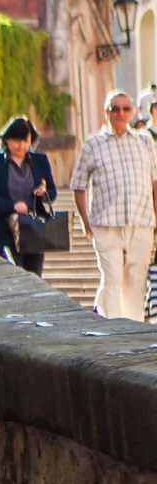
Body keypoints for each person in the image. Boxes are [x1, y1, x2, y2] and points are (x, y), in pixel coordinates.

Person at [70, 91, 157, 319]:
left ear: (132, 113)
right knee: (113, 278)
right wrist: (85, 221)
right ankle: (114, 329)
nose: (120, 113)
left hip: (141, 221)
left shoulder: (145, 142)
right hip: (106, 223)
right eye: (115, 108)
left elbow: (154, 182)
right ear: (106, 112)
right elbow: (78, 185)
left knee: (136, 279)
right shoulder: (93, 144)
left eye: (125, 109)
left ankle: (133, 326)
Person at [0, 115, 57, 277]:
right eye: (16, 140)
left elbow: (52, 193)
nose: (21, 146)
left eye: (25, 141)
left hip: (33, 228)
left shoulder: (40, 161)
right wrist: (12, 205)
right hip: (5, 228)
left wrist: (43, 193)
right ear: (7, 140)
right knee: (13, 275)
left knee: (35, 276)